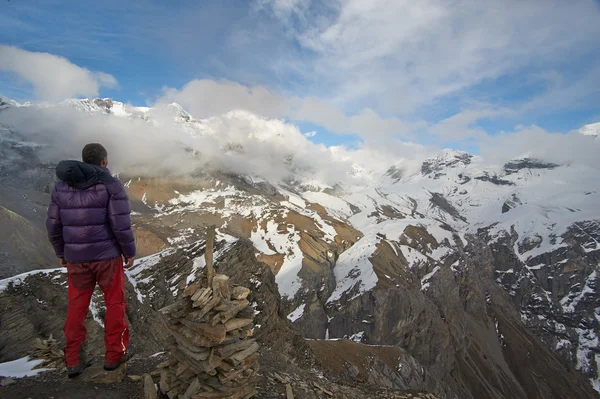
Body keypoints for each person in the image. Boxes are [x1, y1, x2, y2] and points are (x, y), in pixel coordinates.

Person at [46, 143, 136, 378]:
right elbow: (120, 224)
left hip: (76, 259)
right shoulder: (111, 185)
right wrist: (129, 252)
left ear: (84, 160)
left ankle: (74, 360)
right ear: (104, 161)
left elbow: (53, 224)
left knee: (76, 307)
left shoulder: (62, 186)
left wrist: (61, 253)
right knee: (114, 304)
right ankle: (114, 355)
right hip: (107, 257)